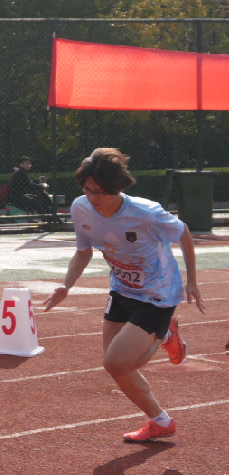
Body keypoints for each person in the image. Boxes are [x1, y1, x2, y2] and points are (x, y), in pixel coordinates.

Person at [44, 148, 204, 443]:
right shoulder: (81, 208)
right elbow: (83, 252)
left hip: (157, 294)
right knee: (115, 364)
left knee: (117, 363)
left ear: (117, 188)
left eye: (101, 192)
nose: (93, 198)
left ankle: (165, 333)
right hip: (121, 289)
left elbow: (183, 231)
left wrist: (192, 281)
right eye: (87, 189)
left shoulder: (145, 213)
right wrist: (65, 286)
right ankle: (161, 422)